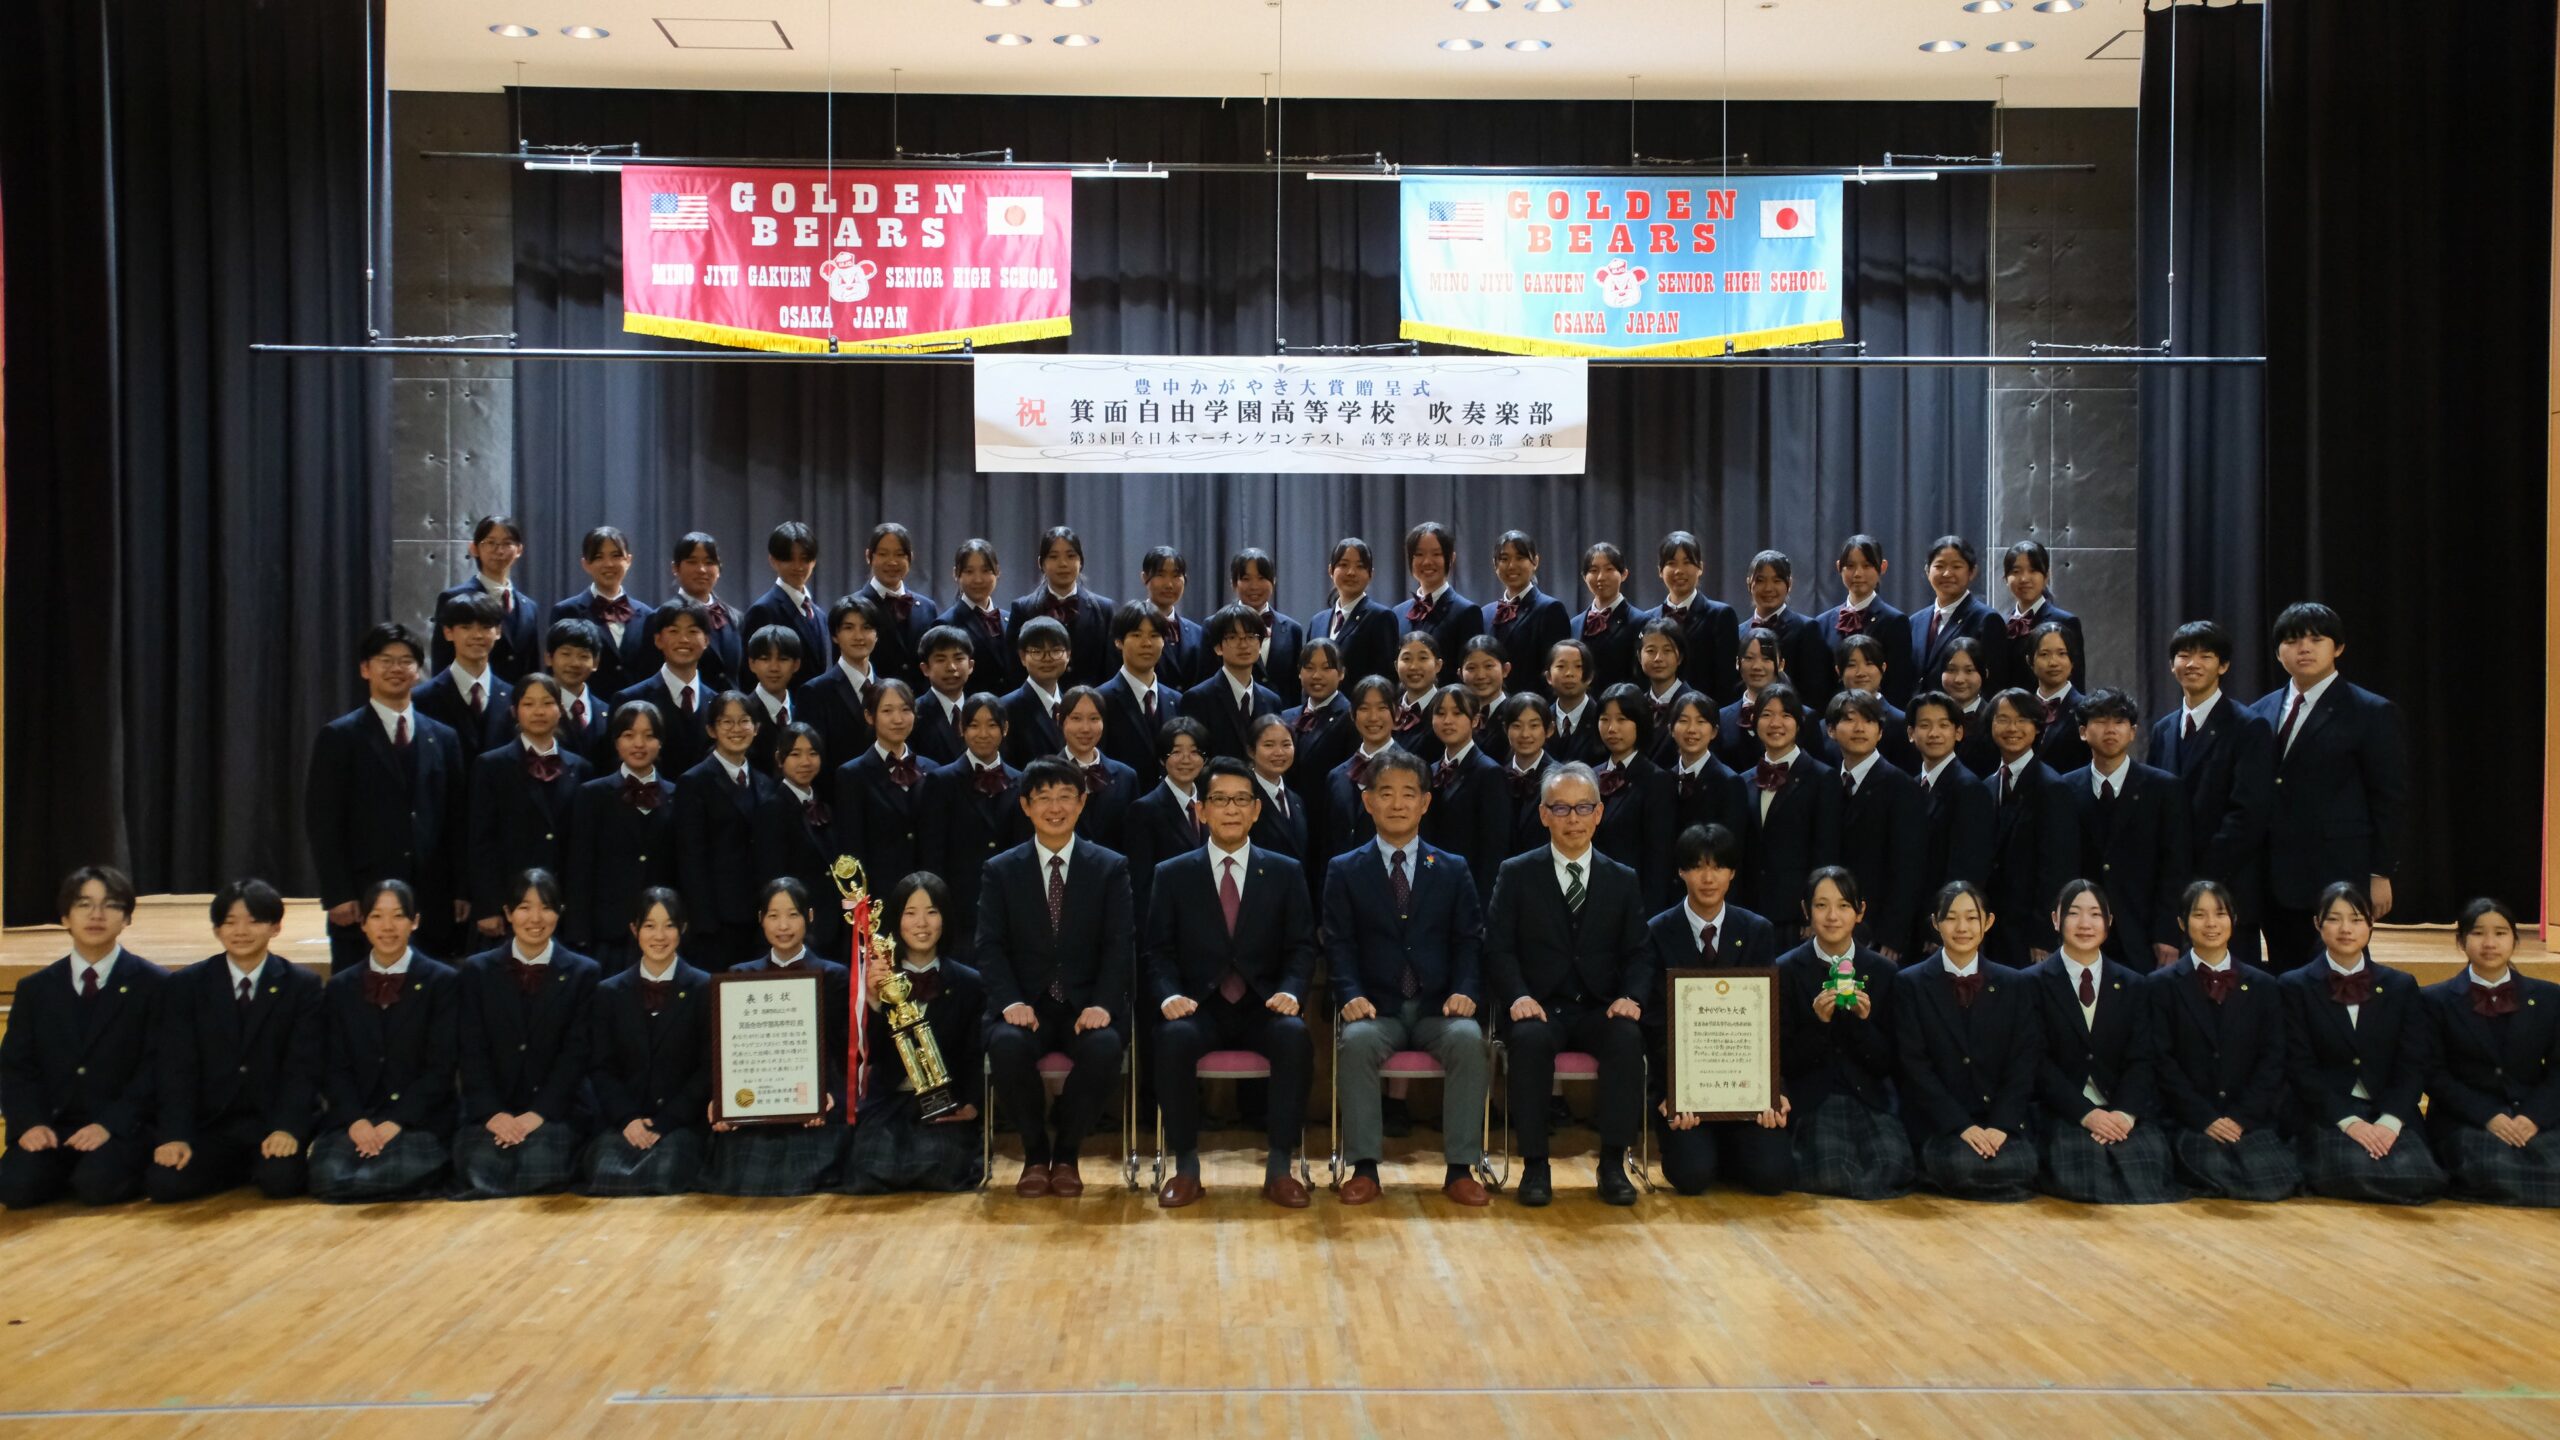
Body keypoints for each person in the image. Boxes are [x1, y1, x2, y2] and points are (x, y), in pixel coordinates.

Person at [1144, 759, 1321, 1209]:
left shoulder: (1284, 871)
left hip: (1264, 1005)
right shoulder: (1173, 873)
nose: (1231, 809)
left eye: (1242, 800)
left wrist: (1292, 991)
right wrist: (1169, 994)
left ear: (1257, 810)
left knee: (1294, 1037)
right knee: (1172, 1038)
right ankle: (1186, 1168)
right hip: (1198, 1006)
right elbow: (1157, 950)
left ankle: (1279, 1168)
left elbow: (1302, 945)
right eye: (1220, 800)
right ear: (1201, 810)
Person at [1325, 748, 1493, 1207]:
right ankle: (1365, 1168)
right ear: (1368, 802)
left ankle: (1460, 1169)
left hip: (1439, 1006)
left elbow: (1469, 939)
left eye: (1408, 793)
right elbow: (1338, 943)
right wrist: (1349, 994)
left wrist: (1465, 989)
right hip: (1376, 1007)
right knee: (1356, 1043)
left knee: (1468, 1040)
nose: (1397, 804)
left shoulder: (1452, 868)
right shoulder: (1345, 869)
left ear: (1425, 802)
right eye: (1385, 793)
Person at [1484, 763, 1652, 1207]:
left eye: (1582, 808)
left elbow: (1639, 952)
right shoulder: (1516, 873)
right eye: (1561, 808)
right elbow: (1498, 948)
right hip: (1539, 1005)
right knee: (1528, 1040)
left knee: (1626, 1036)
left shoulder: (1622, 878)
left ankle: (1612, 1164)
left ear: (1599, 814)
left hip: (1599, 1006)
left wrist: (1632, 997)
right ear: (1544, 815)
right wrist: (1518, 995)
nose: (1572, 818)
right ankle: (1535, 1165)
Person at [978, 758, 1136, 1197]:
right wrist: (1011, 1001)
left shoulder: (1109, 867)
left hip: (1086, 1004)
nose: (1055, 807)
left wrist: (1103, 1003)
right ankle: (1034, 1155)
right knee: (1006, 1045)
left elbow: (1119, 944)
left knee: (1104, 1047)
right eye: (1044, 798)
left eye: (1065, 796)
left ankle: (1066, 1154)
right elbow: (989, 945)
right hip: (1025, 1004)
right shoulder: (1001, 870)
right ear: (1025, 805)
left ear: (1082, 803)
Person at [2251, 603, 2409, 971]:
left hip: (2338, 870)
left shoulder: (2371, 711)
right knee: (2286, 976)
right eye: (2292, 640)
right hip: (2275, 875)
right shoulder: (2259, 711)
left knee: (2342, 976)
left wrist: (2380, 872)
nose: (2304, 648)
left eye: (2316, 639)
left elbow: (2389, 798)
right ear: (2278, 652)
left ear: (2338, 648)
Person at [305, 621, 467, 970]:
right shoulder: (339, 737)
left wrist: (461, 889)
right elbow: (323, 822)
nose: (397, 668)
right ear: (366, 669)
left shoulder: (444, 737)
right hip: (363, 898)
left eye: (406, 661)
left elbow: (457, 820)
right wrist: (338, 893)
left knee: (431, 991)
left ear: (418, 670)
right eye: (385, 660)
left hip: (432, 899)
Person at [148, 880, 323, 1203]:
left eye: (254, 921)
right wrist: (176, 1135)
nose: (241, 931)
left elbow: (303, 1068)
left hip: (270, 1123)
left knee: (280, 1181)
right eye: (230, 922)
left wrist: (286, 1128)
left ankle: (251, 1167)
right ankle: (240, 1168)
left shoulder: (302, 986)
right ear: (217, 930)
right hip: (213, 1124)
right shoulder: (187, 985)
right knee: (165, 1184)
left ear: (275, 927)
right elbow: (176, 1067)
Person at [0, 867, 165, 1209]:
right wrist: (30, 1123)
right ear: (65, 917)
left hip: (120, 1127)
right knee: (14, 1187)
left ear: (127, 918)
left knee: (97, 1186)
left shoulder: (154, 985)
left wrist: (110, 1124)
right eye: (84, 904)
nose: (96, 915)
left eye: (110, 905)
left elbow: (158, 1068)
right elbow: (16, 1066)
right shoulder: (35, 989)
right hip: (55, 1124)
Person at [2281, 881, 2445, 1203]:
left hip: (2388, 1109)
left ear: (2371, 924)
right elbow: (2300, 1067)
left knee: (2422, 1177)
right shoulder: (2295, 986)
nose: (2346, 929)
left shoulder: (2400, 985)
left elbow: (2413, 1062)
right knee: (2349, 1171)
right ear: (2317, 924)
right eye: (2334, 919)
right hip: (2329, 1111)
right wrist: (2351, 1123)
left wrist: (2389, 1122)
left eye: (2356, 919)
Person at [2020, 881, 2180, 1204]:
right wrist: (2086, 1114)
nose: (2085, 923)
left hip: (2119, 1108)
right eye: (2074, 913)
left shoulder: (2133, 984)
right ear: (2056, 919)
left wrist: (2124, 1114)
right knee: (2082, 1174)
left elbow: (2142, 1058)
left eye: (2095, 914)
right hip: (2062, 1110)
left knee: (2146, 1171)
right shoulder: (2029, 983)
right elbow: (2035, 1061)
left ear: (2109, 922)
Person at [1647, 826, 1785, 1197]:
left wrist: (1774, 1090)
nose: (1708, 878)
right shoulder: (1657, 932)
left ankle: (1729, 1152)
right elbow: (1654, 1021)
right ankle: (1711, 1154)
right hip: (1684, 1093)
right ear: (1681, 872)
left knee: (1773, 1175)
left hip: (1745, 1089)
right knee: (1692, 1177)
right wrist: (1674, 1090)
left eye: (1718, 867)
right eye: (1697, 867)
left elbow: (1768, 1019)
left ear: (1732, 872)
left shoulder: (1756, 930)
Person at [307, 879, 459, 1202]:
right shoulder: (341, 987)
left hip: (418, 1120)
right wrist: (356, 1120)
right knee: (326, 1175)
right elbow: (333, 1066)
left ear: (415, 921)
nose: (387, 927)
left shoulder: (442, 982)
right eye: (377, 916)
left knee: (395, 1168)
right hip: (358, 1118)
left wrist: (396, 1121)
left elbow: (441, 1068)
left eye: (398, 916)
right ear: (363, 923)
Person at [2146, 880, 2298, 1201]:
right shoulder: (2160, 986)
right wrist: (2204, 1117)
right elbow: (2161, 1060)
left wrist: (2242, 1116)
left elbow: (2273, 1058)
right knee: (2208, 1166)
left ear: (2234, 919)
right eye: (2199, 915)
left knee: (2275, 1179)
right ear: (2182, 923)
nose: (2211, 923)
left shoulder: (2263, 985)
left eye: (2220, 914)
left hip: (2248, 1119)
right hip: (2189, 1119)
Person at [1892, 881, 2041, 1201]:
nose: (1962, 927)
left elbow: (2023, 1061)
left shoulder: (2015, 984)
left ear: (1988, 922)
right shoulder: (1910, 984)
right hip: (1941, 1121)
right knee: (1960, 1166)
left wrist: (2001, 1124)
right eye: (1951, 918)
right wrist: (1961, 1126)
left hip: (1996, 1120)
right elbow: (1914, 1066)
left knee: (2023, 1166)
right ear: (1935, 923)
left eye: (1972, 918)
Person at [451, 871, 598, 1198]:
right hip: (493, 1112)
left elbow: (576, 1054)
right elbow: (471, 1051)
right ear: (507, 913)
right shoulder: (477, 971)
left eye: (546, 908)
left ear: (560, 912)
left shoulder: (583, 972)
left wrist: (538, 1113)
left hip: (556, 1112)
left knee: (541, 1166)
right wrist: (493, 1113)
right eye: (524, 907)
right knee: (480, 1167)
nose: (535, 918)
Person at [842, 871, 990, 1195]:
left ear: (945, 918)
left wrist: (971, 1104)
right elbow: (869, 1055)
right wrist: (873, 1002)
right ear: (897, 920)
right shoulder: (878, 980)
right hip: (889, 1101)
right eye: (910, 913)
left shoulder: (969, 983)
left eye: (931, 912)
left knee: (939, 1166)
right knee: (872, 1164)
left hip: (945, 1104)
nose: (921, 923)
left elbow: (975, 1053)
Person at [702, 879, 852, 1196]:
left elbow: (842, 1050)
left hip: (813, 1104)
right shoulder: (740, 976)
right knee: (744, 1172)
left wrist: (828, 1096)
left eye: (793, 915)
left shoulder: (834, 975)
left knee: (805, 1169)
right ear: (761, 919)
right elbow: (728, 1051)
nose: (783, 926)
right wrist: (723, 1099)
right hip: (756, 1106)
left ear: (809, 916)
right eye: (773, 916)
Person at [1775, 868, 1914, 1199]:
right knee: (1830, 1169)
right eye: (1821, 905)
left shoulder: (1883, 971)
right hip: (1814, 1098)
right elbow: (1783, 1060)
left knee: (1892, 1165)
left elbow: (1888, 1062)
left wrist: (1862, 1022)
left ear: (1860, 911)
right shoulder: (1785, 970)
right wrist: (1818, 1023)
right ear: (1806, 910)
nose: (1832, 916)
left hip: (1867, 1096)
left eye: (1843, 906)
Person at [2149, 620, 2273, 965]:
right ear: (2172, 664)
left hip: (2227, 887)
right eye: (2184, 655)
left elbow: (2248, 814)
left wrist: (2200, 875)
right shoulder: (2163, 729)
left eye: (2206, 656)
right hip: (2173, 890)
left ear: (2224, 665)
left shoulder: (2249, 726)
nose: (2193, 663)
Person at [2422, 897, 2560, 1207]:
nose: (2489, 943)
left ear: (2514, 939)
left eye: (2500, 933)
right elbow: (2433, 1073)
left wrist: (2533, 1116)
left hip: (2531, 1113)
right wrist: (2488, 1115)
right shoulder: (2435, 1000)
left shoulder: (2550, 997)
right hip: (2467, 1118)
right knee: (2491, 1169)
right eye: (2477, 933)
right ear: (2461, 941)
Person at [580, 888, 713, 1196]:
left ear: (683, 929)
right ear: (634, 929)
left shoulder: (704, 987)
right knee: (606, 1175)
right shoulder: (608, 992)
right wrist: (627, 1118)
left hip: (680, 1123)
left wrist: (667, 1120)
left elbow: (708, 1068)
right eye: (650, 926)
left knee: (665, 1175)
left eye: (669, 925)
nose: (659, 936)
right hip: (624, 1123)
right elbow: (600, 1067)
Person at [2062, 690, 2191, 968]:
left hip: (2143, 933)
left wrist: (2167, 932)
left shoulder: (2164, 788)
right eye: (2100, 721)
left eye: (2119, 722)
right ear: (2083, 732)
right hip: (2081, 931)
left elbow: (2175, 867)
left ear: (2132, 732)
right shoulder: (2064, 789)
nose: (2110, 729)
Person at [468, 674, 592, 943]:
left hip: (562, 902)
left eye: (547, 703)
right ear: (515, 711)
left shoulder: (581, 768)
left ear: (560, 710)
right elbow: (481, 841)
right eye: (529, 704)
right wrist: (489, 905)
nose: (539, 711)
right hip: (510, 902)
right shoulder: (491, 766)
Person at [562, 701, 679, 973]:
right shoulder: (592, 795)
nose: (639, 744)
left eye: (649, 736)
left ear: (660, 742)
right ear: (616, 742)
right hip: (607, 931)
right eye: (629, 735)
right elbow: (579, 867)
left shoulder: (676, 794)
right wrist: (578, 932)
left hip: (662, 929)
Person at [918, 694, 1028, 961]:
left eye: (991, 725)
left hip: (1009, 902)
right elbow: (932, 851)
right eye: (974, 725)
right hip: (959, 905)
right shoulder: (941, 781)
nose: (983, 734)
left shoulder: (1022, 781)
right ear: (961, 729)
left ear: (1005, 728)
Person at [675, 692, 777, 971]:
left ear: (756, 728)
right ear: (711, 729)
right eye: (726, 722)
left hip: (761, 916)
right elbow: (690, 857)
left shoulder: (766, 782)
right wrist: (704, 921)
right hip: (717, 921)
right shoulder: (693, 782)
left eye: (744, 721)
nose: (736, 729)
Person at [1826, 689, 1926, 960]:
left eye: (1869, 721)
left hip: (1878, 931)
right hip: (1830, 922)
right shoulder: (1827, 782)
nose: (1859, 728)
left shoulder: (1901, 787)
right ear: (1831, 730)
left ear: (1880, 732)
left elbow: (1908, 868)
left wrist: (1893, 934)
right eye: (1849, 719)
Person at [1982, 689, 2079, 966]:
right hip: (1991, 929)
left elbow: (2058, 868)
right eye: (2003, 719)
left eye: (2022, 720)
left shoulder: (2052, 787)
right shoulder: (1987, 785)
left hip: (2030, 933)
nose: (2012, 728)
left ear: (2037, 728)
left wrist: (2044, 934)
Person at [1738, 683, 1839, 929]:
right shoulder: (1743, 780)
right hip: (1750, 910)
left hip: (1796, 914)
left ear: (1799, 723)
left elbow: (1825, 851)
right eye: (1766, 714)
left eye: (1785, 715)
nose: (1776, 723)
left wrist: (1813, 910)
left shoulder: (1822, 777)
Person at [1907, 690, 1996, 960]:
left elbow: (1968, 868)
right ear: (1911, 733)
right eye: (1925, 725)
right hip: (1912, 925)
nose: (1934, 733)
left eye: (1943, 725)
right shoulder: (1911, 786)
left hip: (1945, 930)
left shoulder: (1970, 789)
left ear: (1958, 732)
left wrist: (1941, 926)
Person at [751, 723, 843, 957]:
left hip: (833, 923)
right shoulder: (772, 808)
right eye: (795, 754)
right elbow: (771, 875)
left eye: (813, 753)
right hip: (799, 926)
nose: (805, 761)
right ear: (779, 759)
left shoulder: (825, 806)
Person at [836, 679, 930, 903]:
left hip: (926, 893)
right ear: (870, 717)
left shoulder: (932, 769)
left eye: (905, 710)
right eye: (887, 711)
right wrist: (859, 903)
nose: (898, 719)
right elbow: (851, 846)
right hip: (878, 895)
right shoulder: (852, 774)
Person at [1419, 685, 1511, 906]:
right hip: (1431, 885)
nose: (1447, 720)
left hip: (1469, 891)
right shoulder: (1429, 771)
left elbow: (1494, 848)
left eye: (1457, 713)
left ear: (1475, 720)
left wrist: (1482, 902)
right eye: (1440, 713)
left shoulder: (1489, 772)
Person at [1588, 684, 1677, 907]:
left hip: (1632, 902)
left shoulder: (1657, 780)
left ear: (1640, 722)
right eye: (1605, 719)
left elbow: (1658, 860)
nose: (1612, 728)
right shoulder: (1589, 776)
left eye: (1622, 719)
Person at [609, 599, 717, 777]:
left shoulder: (716, 703)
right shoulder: (630, 699)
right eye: (674, 631)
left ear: (706, 640)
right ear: (658, 640)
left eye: (692, 631)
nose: (683, 639)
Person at [549, 525, 655, 699]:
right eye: (598, 557)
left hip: (635, 710)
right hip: (586, 709)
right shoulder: (566, 611)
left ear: (628, 560)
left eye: (616, 556)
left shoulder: (647, 615)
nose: (609, 564)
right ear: (586, 564)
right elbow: (555, 670)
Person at [432, 515, 541, 682]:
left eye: (507, 543)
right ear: (474, 548)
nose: (500, 551)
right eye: (491, 543)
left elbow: (533, 666)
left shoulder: (529, 607)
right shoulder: (454, 598)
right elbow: (442, 660)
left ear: (519, 550)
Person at [1007, 525, 1117, 689]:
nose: (1063, 563)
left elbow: (1111, 669)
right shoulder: (1023, 609)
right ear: (1041, 563)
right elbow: (1014, 670)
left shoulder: (1104, 610)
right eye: (1053, 557)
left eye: (1071, 556)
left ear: (1081, 561)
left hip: (1091, 701)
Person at [1125, 717, 1211, 925]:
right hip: (1168, 921)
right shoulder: (1144, 810)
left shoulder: (1212, 803)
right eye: (1176, 752)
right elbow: (1142, 884)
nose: (1186, 759)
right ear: (1162, 759)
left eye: (1194, 752)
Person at [1814, 536, 1915, 709]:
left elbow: (1899, 686)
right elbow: (1819, 684)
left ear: (1882, 567)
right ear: (1839, 567)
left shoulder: (1894, 621)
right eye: (1850, 566)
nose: (1858, 574)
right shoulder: (1822, 622)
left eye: (1867, 565)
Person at [416, 591, 518, 753]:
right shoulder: (422, 698)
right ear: (448, 632)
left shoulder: (514, 696)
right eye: (466, 627)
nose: (477, 635)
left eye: (485, 627)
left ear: (498, 631)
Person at [1181, 603, 1283, 764]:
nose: (1243, 644)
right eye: (1233, 637)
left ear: (1260, 644)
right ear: (1218, 648)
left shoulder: (1272, 700)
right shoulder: (1197, 698)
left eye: (1251, 637)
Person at [796, 593, 888, 770]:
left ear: (876, 635)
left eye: (867, 627)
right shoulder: (814, 692)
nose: (859, 636)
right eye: (849, 628)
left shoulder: (888, 690)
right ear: (835, 636)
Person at [1910, 536, 2009, 698]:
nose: (1947, 573)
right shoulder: (1915, 621)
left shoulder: (1986, 619)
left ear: (1972, 572)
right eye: (1939, 566)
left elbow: (1994, 685)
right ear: (1927, 571)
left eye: (1956, 566)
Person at [1320, 677, 1401, 869]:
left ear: (1396, 713)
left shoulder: (1411, 771)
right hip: (1343, 880)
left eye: (1382, 708)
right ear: (1352, 714)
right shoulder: (1336, 776)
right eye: (1364, 708)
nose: (1373, 717)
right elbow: (1327, 844)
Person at [1653, 530, 1742, 705]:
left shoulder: (1720, 615)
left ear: (1700, 567)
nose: (1679, 571)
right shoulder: (1648, 619)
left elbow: (1727, 681)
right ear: (1660, 571)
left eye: (1687, 562)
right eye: (1671, 563)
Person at [1099, 602, 1182, 788]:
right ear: (1118, 642)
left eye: (1154, 635)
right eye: (1136, 635)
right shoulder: (1101, 699)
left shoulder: (1176, 700)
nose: (1146, 643)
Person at [1482, 530, 1571, 699]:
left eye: (1520, 558)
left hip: (1532, 709)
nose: (1511, 566)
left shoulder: (1550, 609)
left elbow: (1554, 672)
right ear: (1495, 564)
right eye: (1504, 559)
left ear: (1535, 561)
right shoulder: (1485, 613)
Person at [1741, 550, 1833, 709]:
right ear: (1749, 583)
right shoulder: (1740, 632)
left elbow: (1816, 693)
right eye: (1760, 580)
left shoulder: (1806, 629)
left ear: (1789, 584)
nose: (1768, 588)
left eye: (1777, 580)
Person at [1306, 537, 1399, 687]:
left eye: (1360, 566)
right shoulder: (1317, 621)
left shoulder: (1381, 617)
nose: (1351, 572)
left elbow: (1386, 679)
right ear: (1330, 570)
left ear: (1371, 574)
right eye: (1343, 565)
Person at [1664, 692, 1752, 850]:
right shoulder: (1664, 779)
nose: (1692, 729)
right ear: (1671, 729)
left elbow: (1732, 846)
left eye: (1701, 721)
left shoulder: (1729, 782)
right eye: (1683, 721)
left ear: (1714, 732)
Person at [1281, 638, 1356, 824]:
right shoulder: (1285, 717)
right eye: (1309, 668)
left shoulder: (1351, 718)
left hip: (1328, 820)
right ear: (1299, 672)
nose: (1316, 675)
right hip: (1289, 820)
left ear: (1341, 673)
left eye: (1326, 668)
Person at [1060, 685, 1141, 854]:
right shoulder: (1044, 776)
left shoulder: (1126, 776)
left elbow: (1133, 839)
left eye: (1094, 719)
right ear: (1060, 720)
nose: (1085, 728)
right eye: (1076, 718)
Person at [741, 520, 830, 672]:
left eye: (804, 559)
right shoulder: (763, 610)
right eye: (789, 559)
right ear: (773, 561)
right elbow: (749, 671)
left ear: (814, 561)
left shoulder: (819, 614)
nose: (798, 566)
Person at [862, 522, 942, 689]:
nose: (892, 562)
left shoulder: (927, 607)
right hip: (873, 700)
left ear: (910, 558)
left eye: (899, 554)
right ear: (869, 556)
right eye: (883, 554)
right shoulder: (854, 607)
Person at [2001, 539, 2085, 691]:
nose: (2024, 579)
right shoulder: (2000, 623)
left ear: (2047, 576)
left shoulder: (2065, 622)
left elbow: (2076, 682)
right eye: (2016, 571)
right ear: (2006, 578)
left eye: (2033, 570)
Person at [665, 531, 743, 692]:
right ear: (675, 567)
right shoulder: (663, 617)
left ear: (719, 569)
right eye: (692, 562)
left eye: (709, 562)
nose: (701, 569)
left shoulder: (735, 617)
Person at [940, 538, 1019, 696]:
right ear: (956, 574)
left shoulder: (1011, 619)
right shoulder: (946, 623)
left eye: (986, 571)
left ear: (997, 571)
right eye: (969, 572)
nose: (978, 579)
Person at [1228, 546, 1305, 708]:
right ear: (1234, 583)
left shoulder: (1292, 630)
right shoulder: (1216, 625)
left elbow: (1296, 688)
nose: (1254, 586)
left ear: (1274, 581)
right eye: (1246, 579)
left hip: (1280, 719)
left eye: (1262, 578)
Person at [1829, 636, 1917, 773]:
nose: (1861, 673)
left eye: (1869, 663)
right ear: (1838, 671)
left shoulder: (1901, 723)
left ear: (1883, 668)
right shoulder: (1825, 724)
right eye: (1851, 665)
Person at [1400, 521, 1482, 660]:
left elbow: (1470, 665)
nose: (1427, 562)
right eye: (1419, 554)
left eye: (1436, 554)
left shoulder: (1467, 612)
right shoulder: (1398, 612)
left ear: (1451, 558)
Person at [999, 615, 1074, 767]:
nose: (1047, 659)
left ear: (1068, 654)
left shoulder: (1073, 705)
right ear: (1022, 657)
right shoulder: (1005, 708)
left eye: (1056, 651)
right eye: (1037, 652)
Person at [1492, 693, 1559, 857]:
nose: (1525, 734)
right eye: (1517, 726)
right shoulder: (1495, 776)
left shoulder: (1560, 779)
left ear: (1549, 729)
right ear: (1505, 729)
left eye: (1534, 726)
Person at [1573, 542, 1645, 692]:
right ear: (1584, 577)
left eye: (1609, 569)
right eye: (1593, 570)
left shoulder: (1639, 621)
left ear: (1624, 574)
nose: (1601, 577)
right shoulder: (1574, 624)